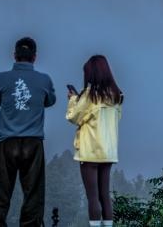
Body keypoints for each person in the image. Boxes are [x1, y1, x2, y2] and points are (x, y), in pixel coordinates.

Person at [0, 37, 57, 227]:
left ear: (14, 55)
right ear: (34, 57)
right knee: (33, 193)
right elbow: (50, 101)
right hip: (33, 142)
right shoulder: (44, 79)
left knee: (2, 191)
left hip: (7, 141)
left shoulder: (2, 78)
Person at [66, 55, 123, 227]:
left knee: (92, 196)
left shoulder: (90, 95)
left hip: (90, 151)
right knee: (104, 195)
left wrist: (72, 100)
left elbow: (73, 117)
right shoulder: (117, 96)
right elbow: (116, 119)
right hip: (109, 151)